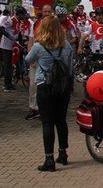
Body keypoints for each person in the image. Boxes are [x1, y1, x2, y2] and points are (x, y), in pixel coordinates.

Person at [25, 16, 74, 172]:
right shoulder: (66, 46)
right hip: (63, 87)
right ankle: (63, 154)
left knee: (47, 123)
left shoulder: (39, 46)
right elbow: (70, 66)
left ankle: (49, 159)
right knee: (61, 120)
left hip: (45, 85)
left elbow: (28, 59)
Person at [27, 5, 53, 120]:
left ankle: (47, 110)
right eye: (45, 11)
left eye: (48, 11)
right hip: (36, 60)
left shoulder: (55, 25)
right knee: (33, 85)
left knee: (48, 86)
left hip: (49, 62)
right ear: (41, 12)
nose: (47, 13)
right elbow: (30, 41)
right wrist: (31, 58)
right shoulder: (35, 24)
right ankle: (34, 109)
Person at [0, 8, 17, 92]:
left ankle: (9, 83)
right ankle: (7, 85)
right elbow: (1, 27)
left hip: (11, 45)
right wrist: (8, 36)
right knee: (7, 66)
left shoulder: (16, 20)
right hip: (6, 45)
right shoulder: (11, 20)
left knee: (9, 65)